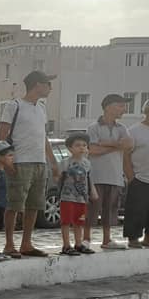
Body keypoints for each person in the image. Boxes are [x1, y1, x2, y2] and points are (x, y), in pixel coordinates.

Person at [0, 71, 60, 258]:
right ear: (37, 84)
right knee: (15, 204)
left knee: (34, 205)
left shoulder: (42, 107)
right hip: (20, 161)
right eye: (48, 84)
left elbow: (43, 136)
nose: (50, 88)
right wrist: (5, 161)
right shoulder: (14, 105)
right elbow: (1, 135)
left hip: (40, 162)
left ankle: (26, 243)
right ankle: (9, 244)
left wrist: (53, 161)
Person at [84, 94, 132, 250]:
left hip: (115, 176)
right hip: (96, 176)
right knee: (92, 208)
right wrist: (117, 145)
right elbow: (92, 149)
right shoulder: (93, 127)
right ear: (108, 107)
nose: (123, 110)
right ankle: (86, 239)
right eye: (120, 106)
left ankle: (107, 239)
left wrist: (105, 143)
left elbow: (128, 145)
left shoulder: (122, 128)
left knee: (111, 209)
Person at [57, 133, 98, 256]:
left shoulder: (87, 163)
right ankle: (66, 245)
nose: (81, 148)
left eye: (84, 145)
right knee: (66, 221)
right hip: (67, 197)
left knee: (79, 221)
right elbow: (59, 178)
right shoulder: (65, 163)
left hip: (81, 198)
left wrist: (92, 192)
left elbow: (89, 178)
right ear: (70, 148)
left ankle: (78, 244)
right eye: (78, 145)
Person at [124, 100, 149, 248]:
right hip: (139, 177)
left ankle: (148, 238)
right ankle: (133, 238)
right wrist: (130, 176)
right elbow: (126, 154)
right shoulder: (134, 131)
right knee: (136, 210)